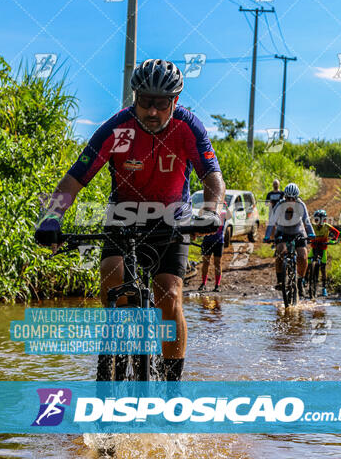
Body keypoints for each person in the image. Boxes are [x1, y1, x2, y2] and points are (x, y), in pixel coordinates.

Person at [35, 59, 225, 381]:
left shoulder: (187, 127)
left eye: (160, 104)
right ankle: (114, 350)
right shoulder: (117, 129)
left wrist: (212, 210)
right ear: (134, 97)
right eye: (145, 102)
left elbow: (213, 178)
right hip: (124, 216)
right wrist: (51, 217)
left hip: (172, 219)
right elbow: (74, 180)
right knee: (112, 274)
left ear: (174, 102)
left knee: (169, 293)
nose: (152, 111)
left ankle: (171, 385)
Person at [263, 182, 315, 297]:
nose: (290, 200)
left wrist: (311, 234)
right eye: (288, 198)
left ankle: (300, 280)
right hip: (283, 231)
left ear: (297, 198)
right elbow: (271, 222)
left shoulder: (301, 205)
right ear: (284, 197)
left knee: (302, 255)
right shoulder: (280, 205)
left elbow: (307, 222)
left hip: (298, 231)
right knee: (280, 252)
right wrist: (267, 236)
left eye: (293, 198)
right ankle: (280, 280)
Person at [308, 209, 340, 297]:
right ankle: (305, 278)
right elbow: (306, 231)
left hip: (323, 248)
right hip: (314, 247)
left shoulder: (327, 226)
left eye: (321, 220)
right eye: (316, 220)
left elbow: (337, 233)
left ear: (324, 220)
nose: (318, 222)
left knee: (323, 267)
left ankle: (324, 287)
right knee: (308, 262)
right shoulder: (312, 226)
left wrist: (334, 239)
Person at [198, 203, 228, 293]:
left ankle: (217, 285)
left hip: (219, 241)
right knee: (205, 262)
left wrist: (225, 206)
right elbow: (200, 214)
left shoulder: (223, 214)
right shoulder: (207, 214)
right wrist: (205, 205)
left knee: (217, 263)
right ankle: (203, 284)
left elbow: (229, 215)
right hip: (207, 241)